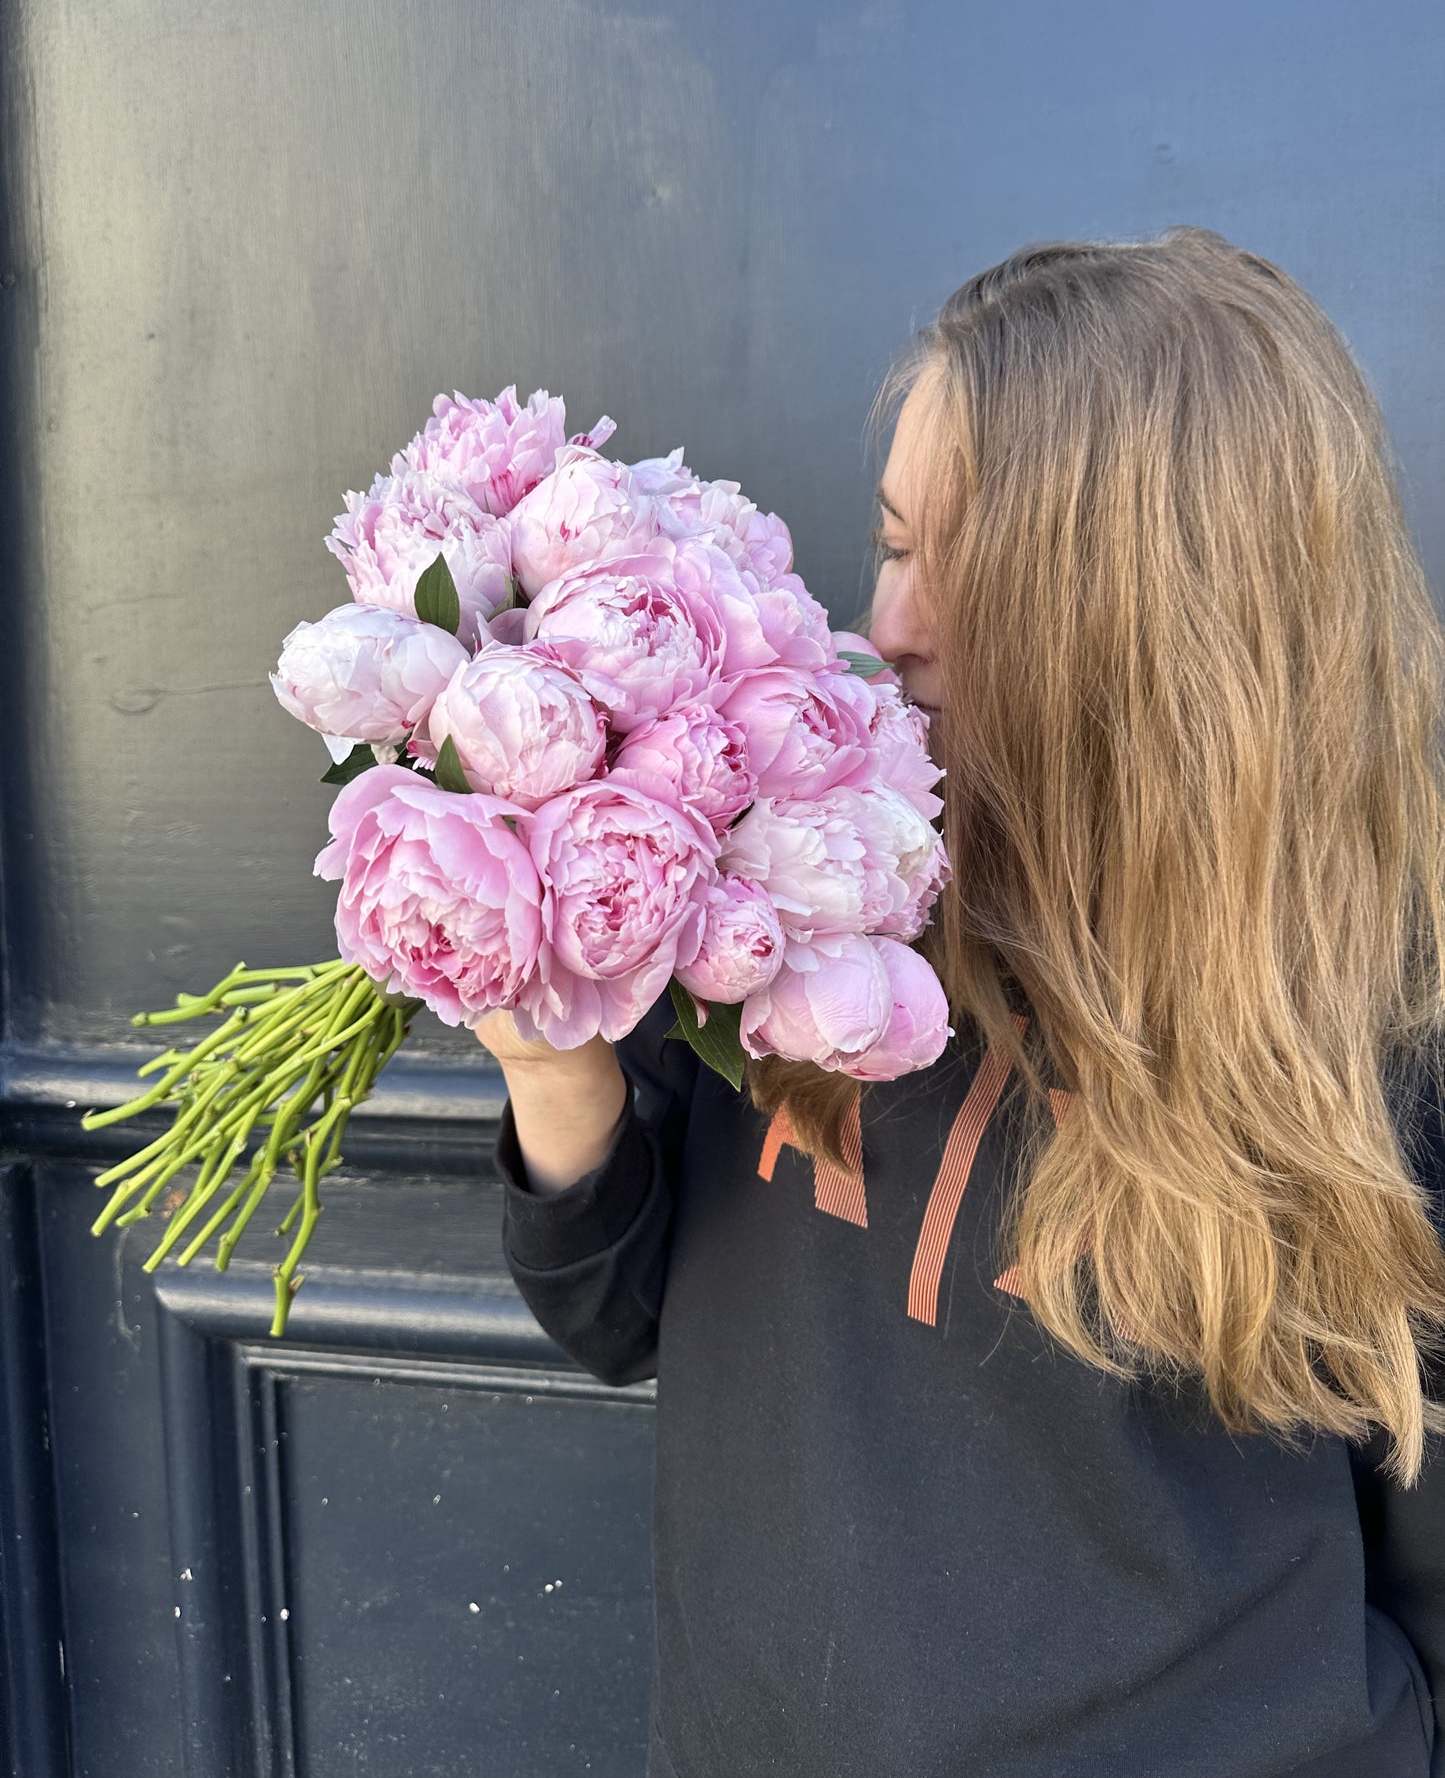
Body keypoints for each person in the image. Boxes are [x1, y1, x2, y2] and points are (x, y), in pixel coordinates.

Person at [477, 226, 1445, 1778]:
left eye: (975, 568)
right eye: (893, 541)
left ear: (1163, 621)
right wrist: (553, 1074)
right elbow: (617, 1315)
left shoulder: (1380, 1017)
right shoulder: (773, 881)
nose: (895, 624)